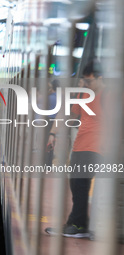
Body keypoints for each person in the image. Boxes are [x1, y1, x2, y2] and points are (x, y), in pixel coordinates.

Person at [45, 60, 104, 238]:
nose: (85, 85)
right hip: (81, 144)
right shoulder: (85, 95)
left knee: (82, 183)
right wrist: (53, 134)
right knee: (77, 184)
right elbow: (68, 114)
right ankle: (77, 223)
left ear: (101, 78)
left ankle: (79, 224)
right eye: (84, 82)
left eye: (89, 82)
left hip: (98, 146)